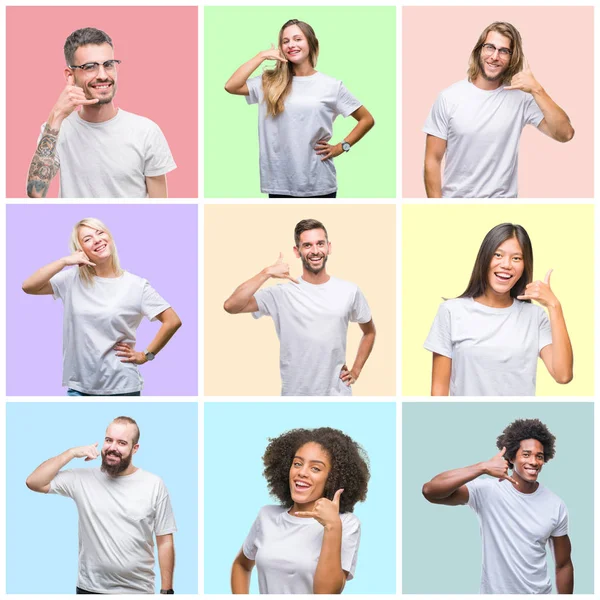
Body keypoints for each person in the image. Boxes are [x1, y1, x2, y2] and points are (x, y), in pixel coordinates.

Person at [22, 217, 182, 396]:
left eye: (100, 233)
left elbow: (172, 321)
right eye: (87, 239)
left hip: (122, 386)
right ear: (80, 250)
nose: (96, 239)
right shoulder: (72, 279)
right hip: (79, 387)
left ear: (110, 238)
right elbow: (29, 286)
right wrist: (65, 261)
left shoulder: (136, 285)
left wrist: (146, 355)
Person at [223, 218, 376, 396]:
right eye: (307, 245)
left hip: (337, 395)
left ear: (329, 247)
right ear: (297, 251)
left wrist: (356, 370)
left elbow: (369, 332)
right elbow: (231, 305)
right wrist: (266, 273)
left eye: (320, 244)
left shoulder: (349, 290)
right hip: (295, 395)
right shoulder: (281, 294)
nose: (315, 251)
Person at [26, 416, 176, 594]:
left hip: (138, 590)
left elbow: (165, 540)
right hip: (90, 589)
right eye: (108, 440)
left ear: (135, 448)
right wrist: (71, 453)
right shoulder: (82, 479)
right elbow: (34, 482)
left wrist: (167, 591)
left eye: (121, 443)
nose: (112, 448)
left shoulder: (154, 484)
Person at [225, 19, 375, 198]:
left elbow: (366, 119)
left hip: (318, 181)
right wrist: (261, 56)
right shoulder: (269, 82)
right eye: (285, 41)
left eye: (298, 39)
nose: (291, 45)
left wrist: (341, 147)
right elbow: (231, 86)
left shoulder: (331, 86)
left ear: (311, 43)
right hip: (279, 183)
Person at [422, 418, 573, 594]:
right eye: (526, 454)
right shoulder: (487, 491)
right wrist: (482, 467)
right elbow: (430, 490)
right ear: (511, 457)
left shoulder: (555, 505)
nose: (534, 461)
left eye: (539, 456)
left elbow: (563, 564)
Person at [423, 22, 574, 198]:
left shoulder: (522, 98)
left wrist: (537, 90)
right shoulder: (449, 98)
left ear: (512, 57)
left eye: (504, 51)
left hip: (503, 205)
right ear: (479, 50)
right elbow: (432, 161)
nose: (495, 56)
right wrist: (438, 209)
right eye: (490, 47)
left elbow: (565, 134)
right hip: (457, 204)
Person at [424, 223, 573, 396]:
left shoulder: (535, 317)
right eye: (498, 255)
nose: (506, 264)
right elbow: (439, 391)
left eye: (516, 258)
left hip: (518, 419)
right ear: (485, 258)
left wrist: (554, 306)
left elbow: (563, 375)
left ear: (525, 265)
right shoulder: (451, 311)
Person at [26, 27, 176, 199]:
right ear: (70, 75)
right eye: (90, 67)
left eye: (108, 65)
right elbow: (35, 192)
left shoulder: (146, 131)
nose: (103, 75)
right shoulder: (56, 129)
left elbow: (161, 210)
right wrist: (56, 115)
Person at [232, 427, 369, 594]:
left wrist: (332, 526)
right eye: (297, 464)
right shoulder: (266, 516)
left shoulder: (346, 524)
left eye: (315, 468)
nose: (302, 473)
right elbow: (241, 566)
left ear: (333, 478)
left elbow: (326, 593)